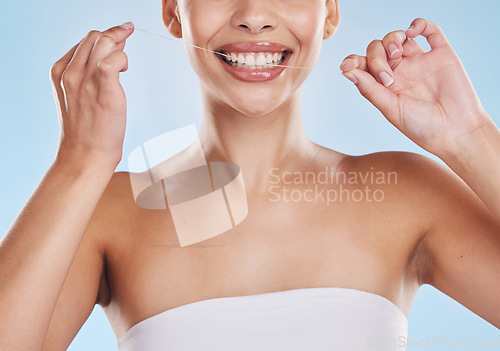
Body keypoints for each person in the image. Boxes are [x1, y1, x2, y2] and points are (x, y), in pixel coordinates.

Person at [1, 0, 499, 350]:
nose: (255, 16)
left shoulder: (408, 194)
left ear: (330, 11)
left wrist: (470, 136)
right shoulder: (107, 211)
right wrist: (81, 161)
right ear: (174, 10)